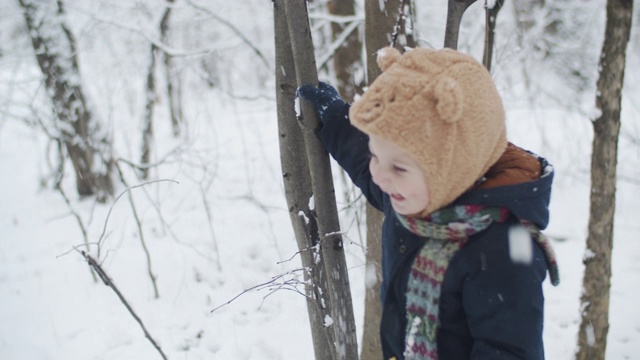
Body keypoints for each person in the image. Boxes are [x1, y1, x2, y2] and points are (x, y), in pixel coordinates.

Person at [297, 47, 559, 360]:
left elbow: (510, 352)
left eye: (398, 167)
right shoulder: (414, 198)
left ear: (450, 165)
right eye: (377, 156)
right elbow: (366, 165)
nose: (380, 175)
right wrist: (337, 119)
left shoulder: (505, 248)